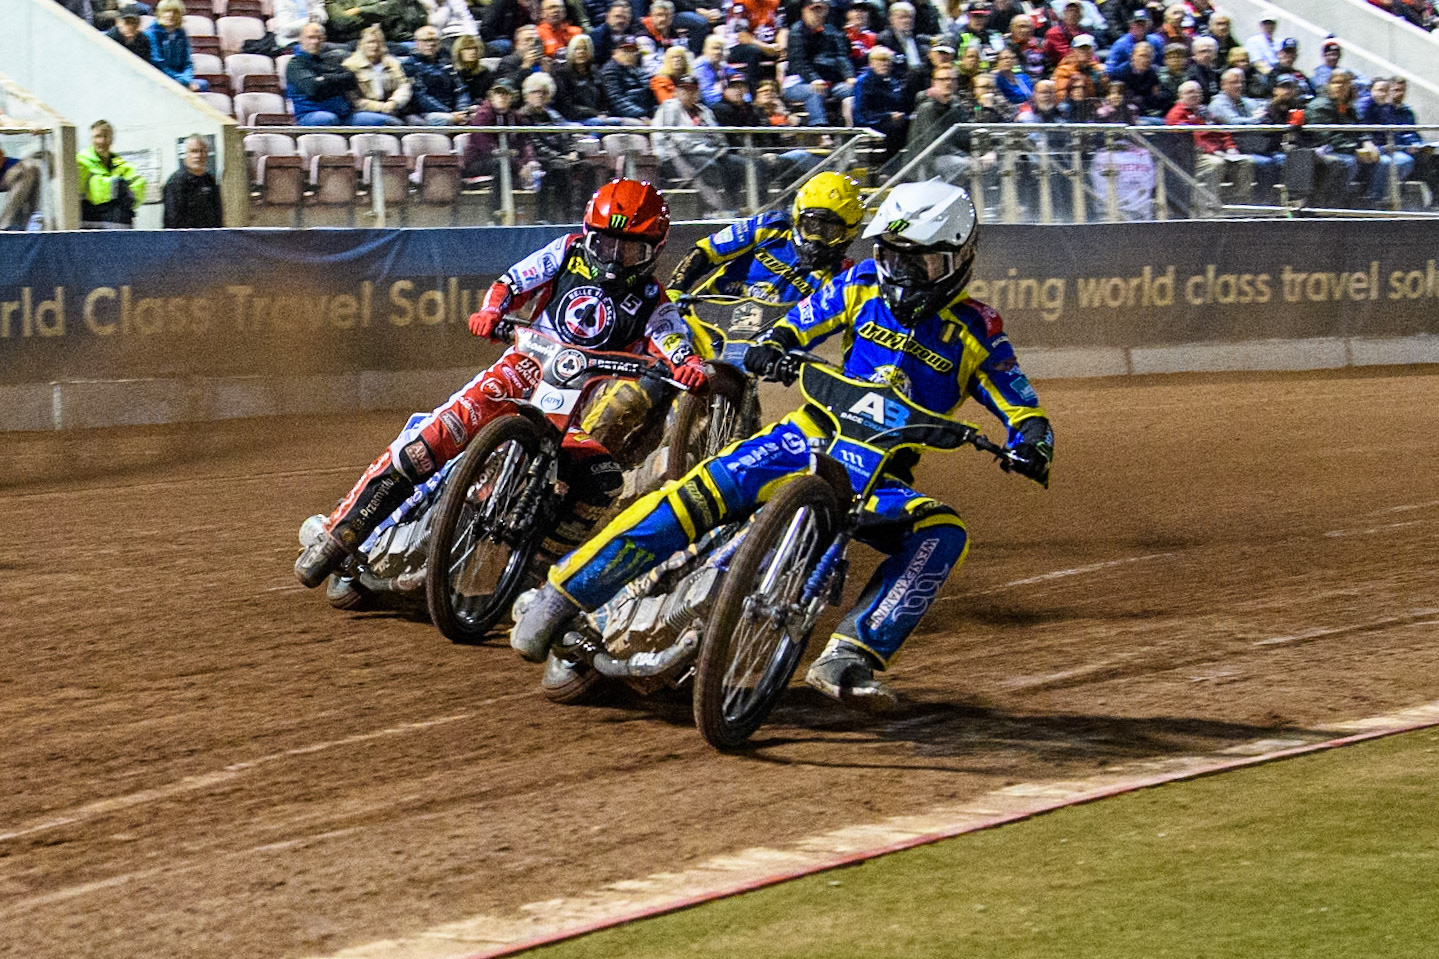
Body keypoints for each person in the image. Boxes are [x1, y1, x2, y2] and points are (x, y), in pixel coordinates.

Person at [511, 181, 1053, 711]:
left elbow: (1022, 403)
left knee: (942, 531)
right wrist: (774, 347)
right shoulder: (860, 283)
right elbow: (796, 324)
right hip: (802, 438)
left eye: (921, 262)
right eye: (892, 255)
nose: (901, 273)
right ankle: (564, 596)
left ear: (959, 259)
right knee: (695, 492)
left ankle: (851, 655)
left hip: (879, 481)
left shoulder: (978, 330)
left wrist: (1032, 441)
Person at [296, 179, 707, 590]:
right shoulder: (566, 252)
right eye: (605, 244)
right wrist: (491, 311)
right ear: (588, 234)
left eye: (629, 248)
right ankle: (339, 535)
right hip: (519, 372)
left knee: (604, 480)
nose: (615, 259)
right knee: (432, 440)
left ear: (653, 250)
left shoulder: (654, 299)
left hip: (570, 411)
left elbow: (673, 339)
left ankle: (538, 571)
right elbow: (512, 282)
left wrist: (687, 364)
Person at [668, 170, 861, 309]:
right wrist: (675, 288)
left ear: (847, 234)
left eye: (830, 231)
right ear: (797, 218)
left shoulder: (839, 278)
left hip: (761, 349)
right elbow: (706, 251)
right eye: (812, 225)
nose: (817, 237)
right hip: (705, 313)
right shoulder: (770, 227)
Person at [653, 74, 748, 215]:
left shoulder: (704, 111)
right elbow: (673, 140)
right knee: (710, 166)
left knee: (737, 164)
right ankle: (713, 209)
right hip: (676, 157)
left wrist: (721, 148)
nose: (688, 93)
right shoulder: (669, 108)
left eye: (692, 90)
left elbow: (718, 135)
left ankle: (733, 207)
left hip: (709, 153)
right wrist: (710, 150)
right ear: (676, 92)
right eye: (684, 90)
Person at [517, 72, 597, 221]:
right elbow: (532, 144)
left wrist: (573, 151)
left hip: (562, 156)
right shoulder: (522, 117)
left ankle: (585, 215)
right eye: (535, 92)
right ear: (527, 95)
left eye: (543, 92)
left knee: (588, 166)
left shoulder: (553, 115)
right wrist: (562, 157)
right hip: (540, 159)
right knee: (561, 168)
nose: (539, 95)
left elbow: (567, 135)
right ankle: (564, 217)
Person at [1166, 78, 1250, 214]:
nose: (1194, 95)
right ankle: (1209, 207)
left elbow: (1221, 130)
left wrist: (1230, 147)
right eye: (1190, 92)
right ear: (1181, 96)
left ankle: (1240, 204)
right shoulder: (1176, 114)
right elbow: (1191, 137)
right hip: (1194, 154)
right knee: (1216, 164)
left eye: (1198, 92)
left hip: (1219, 152)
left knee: (1246, 162)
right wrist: (1212, 151)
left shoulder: (1204, 111)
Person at [289, 23, 401, 125]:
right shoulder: (296, 64)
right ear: (301, 39)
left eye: (319, 38)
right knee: (329, 119)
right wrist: (335, 81)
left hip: (344, 115)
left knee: (390, 122)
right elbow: (313, 88)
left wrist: (325, 79)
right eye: (310, 37)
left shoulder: (329, 59)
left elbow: (351, 80)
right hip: (312, 114)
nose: (315, 41)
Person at [784, 0, 855, 125]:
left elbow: (841, 56)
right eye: (814, 10)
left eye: (821, 10)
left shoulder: (831, 31)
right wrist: (814, 79)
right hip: (799, 81)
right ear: (805, 11)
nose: (818, 14)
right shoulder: (797, 32)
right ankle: (820, 131)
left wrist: (849, 76)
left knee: (854, 90)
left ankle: (854, 128)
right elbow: (798, 62)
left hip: (829, 82)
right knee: (814, 92)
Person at [77, 120, 146, 229]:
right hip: (92, 229)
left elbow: (140, 186)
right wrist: (117, 185)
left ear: (112, 139)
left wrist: (121, 190)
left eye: (106, 136)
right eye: (97, 136)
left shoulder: (121, 164)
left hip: (122, 230)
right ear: (91, 140)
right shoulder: (81, 162)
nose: (102, 141)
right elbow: (92, 190)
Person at [343, 25, 413, 124]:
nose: (375, 46)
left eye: (378, 42)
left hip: (392, 107)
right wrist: (381, 107)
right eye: (370, 42)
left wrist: (394, 102)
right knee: (394, 123)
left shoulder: (392, 62)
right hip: (363, 111)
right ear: (361, 44)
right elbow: (353, 100)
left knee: (417, 123)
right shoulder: (350, 65)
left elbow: (404, 86)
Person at [405, 25, 472, 124]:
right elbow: (420, 97)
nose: (431, 44)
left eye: (434, 40)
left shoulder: (447, 62)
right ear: (416, 43)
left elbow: (460, 89)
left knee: (479, 114)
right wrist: (449, 113)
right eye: (426, 40)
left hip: (454, 111)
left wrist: (462, 110)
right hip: (424, 113)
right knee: (447, 119)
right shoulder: (409, 65)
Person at [854, 46, 908, 161]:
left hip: (894, 122)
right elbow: (862, 114)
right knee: (894, 130)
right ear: (871, 63)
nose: (885, 64)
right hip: (872, 123)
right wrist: (887, 116)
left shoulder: (894, 82)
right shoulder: (864, 82)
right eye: (881, 60)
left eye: (887, 60)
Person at [146, 0, 208, 92]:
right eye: (166, 11)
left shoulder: (181, 33)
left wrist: (185, 79)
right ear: (159, 13)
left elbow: (188, 62)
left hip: (181, 79)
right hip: (161, 77)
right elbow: (158, 63)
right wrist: (180, 80)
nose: (170, 15)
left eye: (174, 12)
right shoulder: (151, 33)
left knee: (203, 84)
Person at [162, 134, 223, 228]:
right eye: (193, 151)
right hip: (184, 240)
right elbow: (172, 220)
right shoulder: (175, 182)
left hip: (210, 239)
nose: (198, 156)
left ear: (207, 154)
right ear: (186, 154)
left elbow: (218, 214)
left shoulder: (209, 180)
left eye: (202, 151)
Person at [553, 34, 610, 120]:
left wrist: (605, 112)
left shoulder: (595, 72)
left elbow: (605, 99)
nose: (581, 52)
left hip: (600, 116)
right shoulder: (561, 74)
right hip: (576, 119)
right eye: (577, 49)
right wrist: (594, 114)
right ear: (570, 51)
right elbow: (565, 105)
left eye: (585, 48)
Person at [600, 35, 658, 119]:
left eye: (633, 51)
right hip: (622, 115)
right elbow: (616, 100)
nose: (630, 55)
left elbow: (650, 95)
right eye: (625, 51)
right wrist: (641, 114)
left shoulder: (638, 70)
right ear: (615, 53)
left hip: (644, 112)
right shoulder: (610, 70)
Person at [1050, 33, 1105, 101]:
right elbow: (1060, 95)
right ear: (1073, 51)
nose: (1085, 52)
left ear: (1093, 51)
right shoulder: (1064, 70)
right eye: (1081, 48)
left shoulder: (1097, 69)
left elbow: (1104, 91)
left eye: (1088, 48)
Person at [1104, 9, 1162, 73]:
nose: (1140, 27)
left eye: (1143, 24)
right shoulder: (1120, 44)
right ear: (1131, 25)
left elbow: (1161, 63)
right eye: (1137, 24)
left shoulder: (1155, 41)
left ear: (1149, 25)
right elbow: (1110, 69)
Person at [452, 34, 494, 102]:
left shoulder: (485, 73)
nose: (473, 52)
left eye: (474, 48)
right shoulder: (454, 74)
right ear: (459, 52)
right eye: (467, 49)